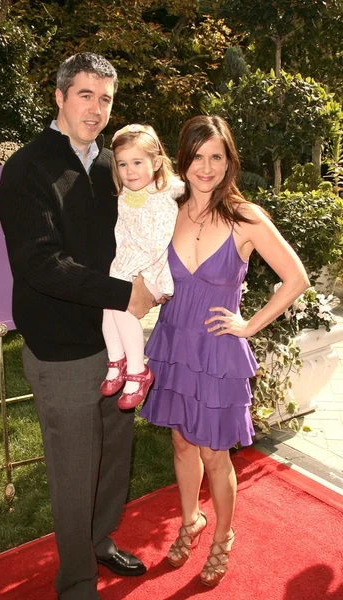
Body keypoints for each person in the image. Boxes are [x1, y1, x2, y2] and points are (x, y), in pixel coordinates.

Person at [0, 52, 156, 600]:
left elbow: (139, 235)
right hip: (62, 347)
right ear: (60, 97)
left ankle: (99, 539)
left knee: (114, 456)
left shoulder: (114, 169)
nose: (96, 109)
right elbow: (40, 263)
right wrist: (124, 295)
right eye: (85, 95)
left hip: (114, 341)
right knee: (73, 473)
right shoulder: (27, 169)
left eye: (106, 98)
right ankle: (76, 584)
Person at [140, 115, 310, 587]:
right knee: (180, 442)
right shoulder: (167, 212)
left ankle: (222, 537)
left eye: (217, 156)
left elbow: (295, 279)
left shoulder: (246, 218)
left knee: (215, 454)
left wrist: (248, 325)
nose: (206, 167)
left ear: (229, 161)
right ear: (184, 159)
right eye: (198, 156)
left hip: (216, 353)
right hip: (174, 344)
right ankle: (190, 520)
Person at [100, 124, 184, 410]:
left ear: (156, 162)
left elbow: (158, 240)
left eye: (137, 162)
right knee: (107, 308)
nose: (130, 170)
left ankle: (139, 371)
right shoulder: (126, 194)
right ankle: (117, 362)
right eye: (123, 164)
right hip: (127, 266)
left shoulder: (161, 197)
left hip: (153, 267)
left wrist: (134, 271)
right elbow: (123, 234)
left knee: (122, 310)